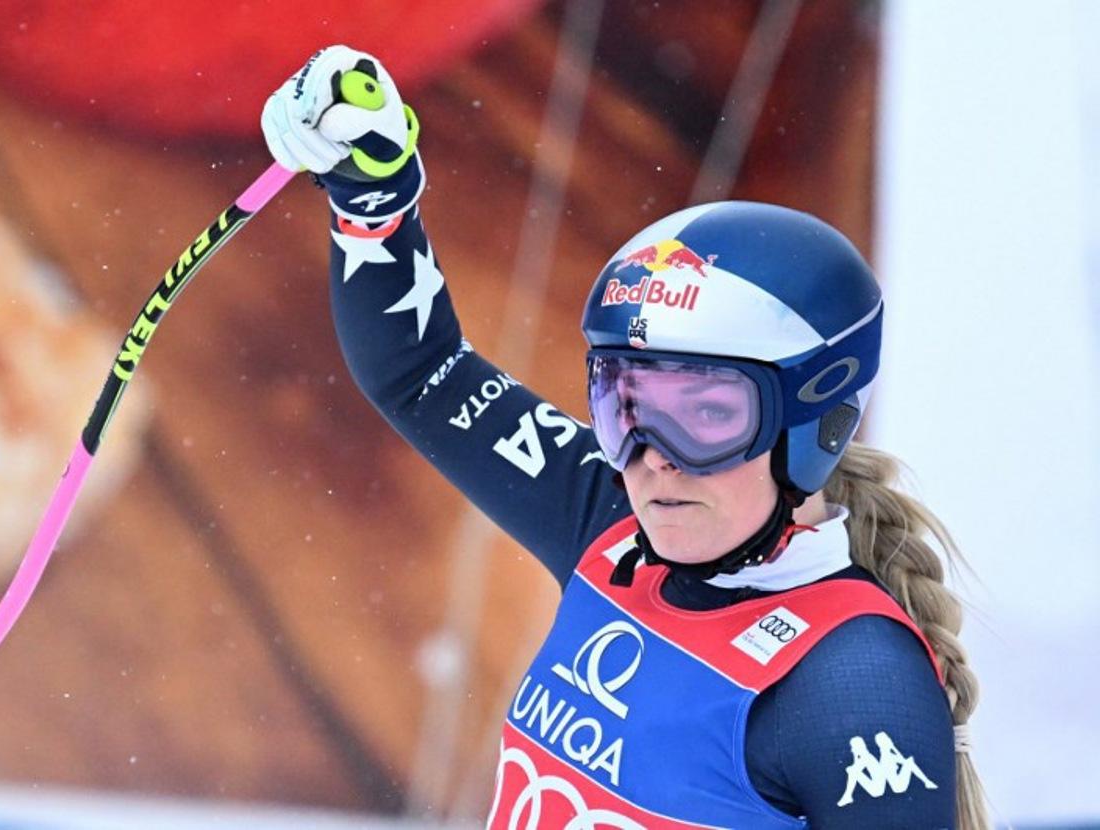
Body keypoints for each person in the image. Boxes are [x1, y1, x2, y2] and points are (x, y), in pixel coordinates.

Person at [261, 45, 989, 829]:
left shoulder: (849, 681)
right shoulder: (610, 527)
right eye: (626, 407)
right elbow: (421, 372)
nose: (653, 463)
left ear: (816, 425)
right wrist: (373, 194)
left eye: (708, 415)